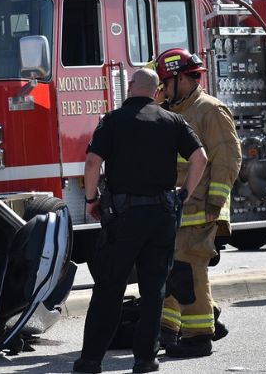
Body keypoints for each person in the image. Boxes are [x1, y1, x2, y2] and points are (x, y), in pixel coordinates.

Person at [73, 68, 207, 374]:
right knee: (154, 289)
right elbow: (200, 158)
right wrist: (184, 193)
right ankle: (146, 359)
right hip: (161, 216)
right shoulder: (173, 120)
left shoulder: (113, 120)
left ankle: (91, 360)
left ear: (131, 86)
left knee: (109, 287)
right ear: (155, 89)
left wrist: (92, 200)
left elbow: (93, 162)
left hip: (124, 218)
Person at [154, 48, 241, 358]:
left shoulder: (210, 111)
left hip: (200, 208)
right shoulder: (170, 110)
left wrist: (214, 203)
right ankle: (168, 329)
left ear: (182, 78)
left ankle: (198, 337)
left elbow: (228, 159)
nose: (162, 89)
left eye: (166, 82)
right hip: (174, 209)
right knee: (171, 270)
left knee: (189, 270)